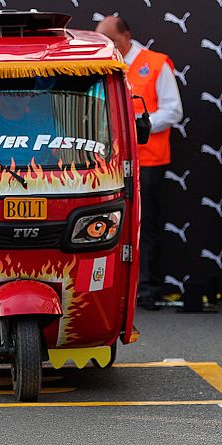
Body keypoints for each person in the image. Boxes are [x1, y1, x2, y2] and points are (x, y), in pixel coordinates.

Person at [96, 16, 183, 310]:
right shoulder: (103, 65)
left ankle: (146, 290)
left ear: (127, 36)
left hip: (148, 160)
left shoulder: (156, 63)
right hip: (108, 163)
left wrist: (133, 126)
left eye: (112, 40)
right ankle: (111, 290)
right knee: (107, 225)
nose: (109, 46)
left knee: (145, 226)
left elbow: (173, 110)